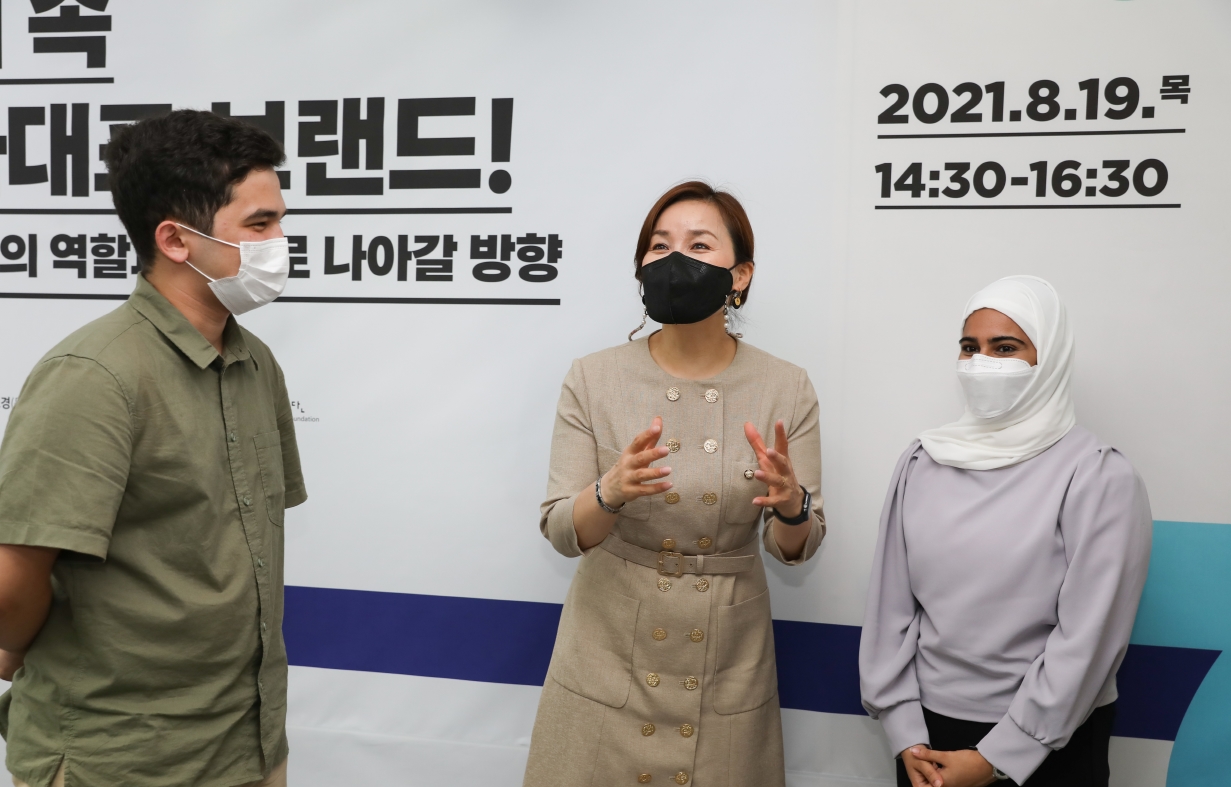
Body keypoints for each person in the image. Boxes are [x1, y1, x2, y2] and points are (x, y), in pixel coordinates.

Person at [0, 110, 306, 787]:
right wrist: (17, 647)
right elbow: (13, 580)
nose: (279, 243)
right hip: (122, 757)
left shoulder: (256, 363)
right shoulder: (94, 373)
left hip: (248, 742)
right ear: (174, 239)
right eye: (259, 225)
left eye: (279, 222)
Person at [523, 181, 826, 787]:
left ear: (740, 275)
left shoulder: (785, 387)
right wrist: (610, 492)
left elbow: (795, 548)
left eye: (698, 245)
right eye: (659, 246)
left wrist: (793, 507)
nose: (674, 259)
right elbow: (560, 530)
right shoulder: (593, 377)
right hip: (606, 651)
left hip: (726, 657)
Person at [858, 276, 1152, 787]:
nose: (981, 363)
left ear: (1049, 358)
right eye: (969, 347)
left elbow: (1089, 637)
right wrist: (904, 731)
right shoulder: (923, 460)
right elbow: (891, 607)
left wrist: (1000, 755)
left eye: (1005, 348)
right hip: (926, 737)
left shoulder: (1097, 475)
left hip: (1053, 740)